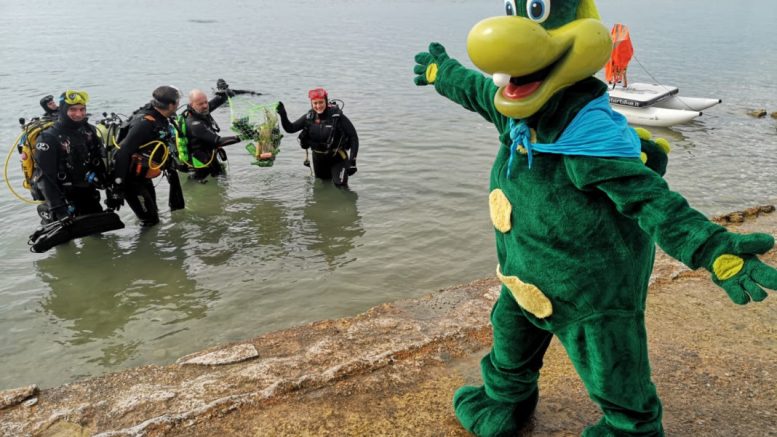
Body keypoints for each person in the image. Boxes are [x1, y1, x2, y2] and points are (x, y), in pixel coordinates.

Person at [109, 85, 183, 227]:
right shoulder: (144, 124)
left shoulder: (160, 116)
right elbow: (122, 153)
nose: (179, 104)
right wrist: (117, 189)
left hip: (142, 176)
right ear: (171, 105)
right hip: (130, 181)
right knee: (150, 221)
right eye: (177, 101)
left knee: (153, 215)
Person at [33, 90, 107, 224]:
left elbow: (98, 162)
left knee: (97, 231)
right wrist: (58, 209)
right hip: (61, 198)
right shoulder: (48, 138)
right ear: (63, 109)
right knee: (66, 237)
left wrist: (112, 191)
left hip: (87, 193)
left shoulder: (89, 130)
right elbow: (45, 178)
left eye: (82, 109)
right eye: (73, 109)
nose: (79, 114)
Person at [277, 88, 359, 188]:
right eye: (315, 103)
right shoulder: (309, 118)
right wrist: (282, 113)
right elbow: (290, 128)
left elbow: (353, 137)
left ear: (326, 101)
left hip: (337, 158)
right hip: (318, 159)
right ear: (311, 103)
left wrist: (352, 161)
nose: (318, 106)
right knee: (322, 186)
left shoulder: (337, 117)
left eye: (321, 102)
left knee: (340, 186)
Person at [176, 79, 242, 181]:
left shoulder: (199, 111)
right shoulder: (194, 124)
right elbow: (218, 141)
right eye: (200, 104)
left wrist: (223, 91)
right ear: (192, 104)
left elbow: (219, 100)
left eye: (206, 102)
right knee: (203, 185)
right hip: (200, 166)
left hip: (208, 156)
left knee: (221, 183)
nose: (205, 106)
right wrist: (243, 137)